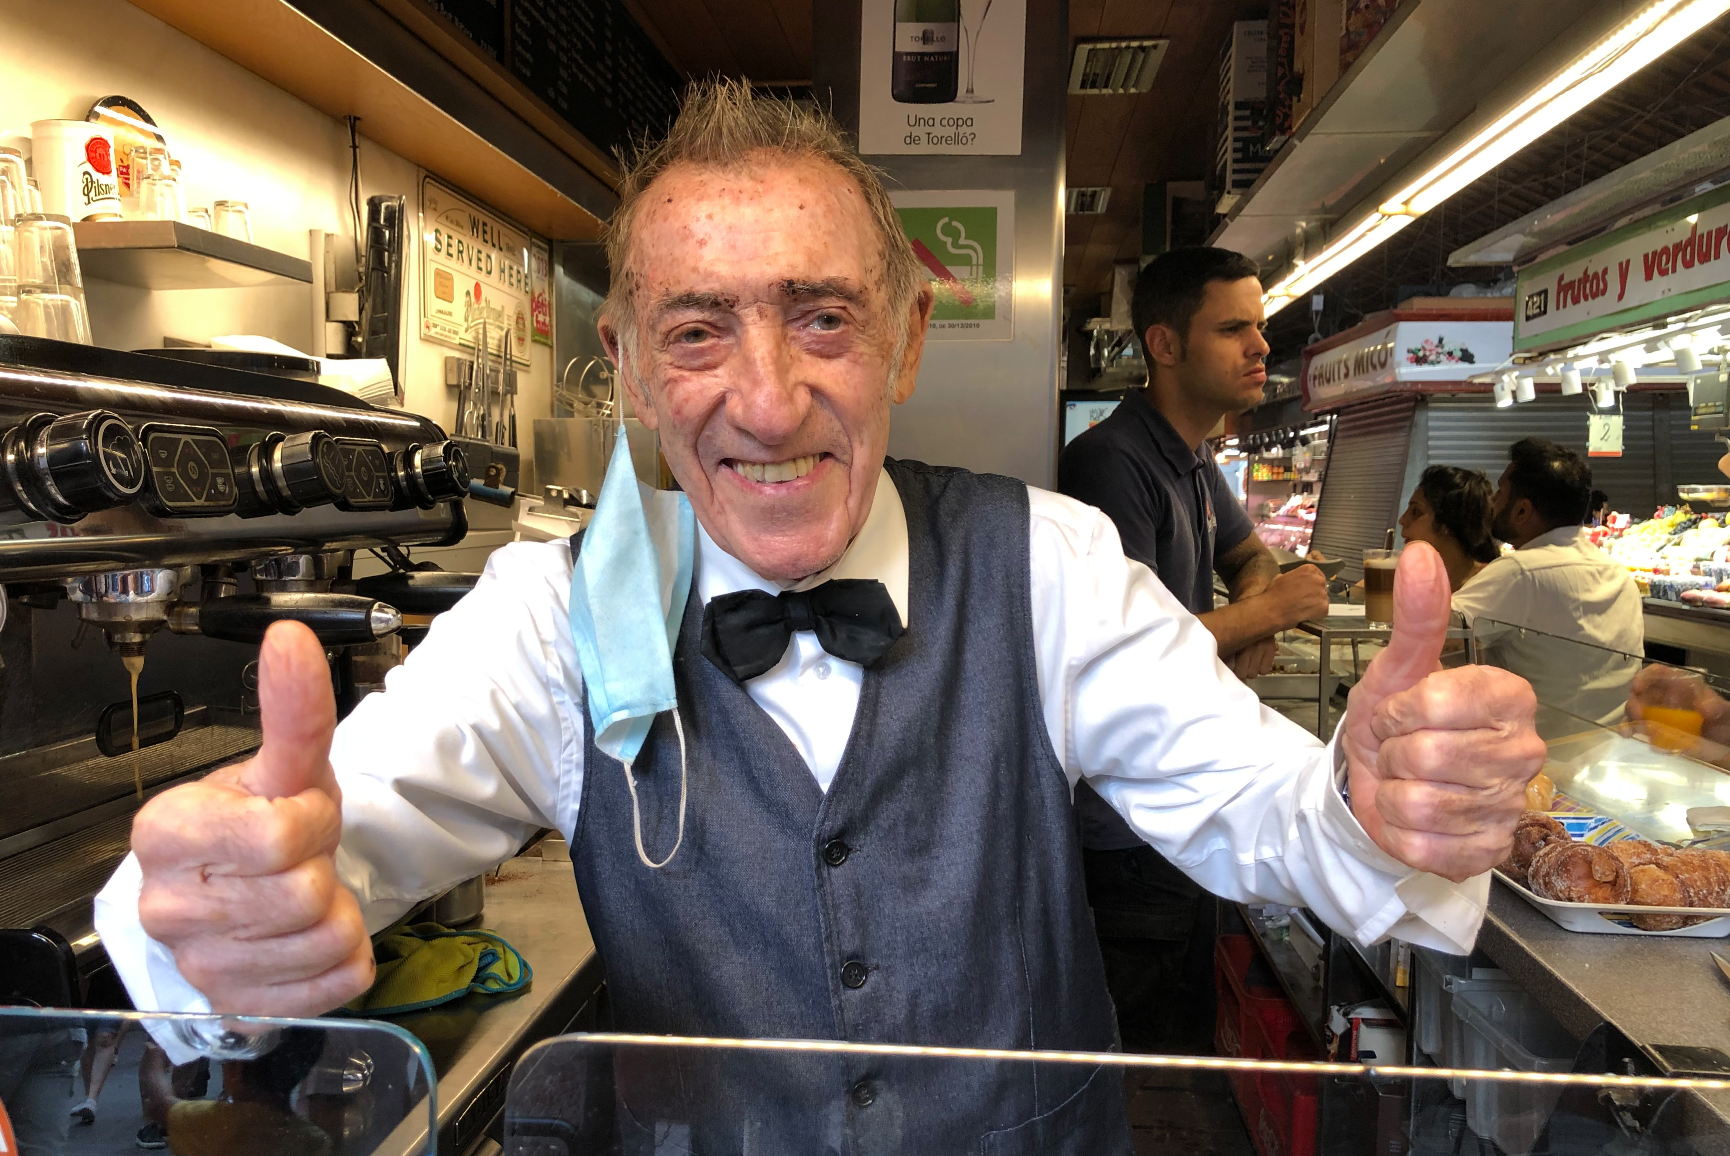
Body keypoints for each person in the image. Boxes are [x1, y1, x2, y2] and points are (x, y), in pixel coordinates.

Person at [94, 82, 1543, 1152]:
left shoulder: (1045, 562)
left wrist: (1377, 805)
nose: (770, 399)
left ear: (906, 335)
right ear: (631, 369)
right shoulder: (564, 608)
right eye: (698, 328)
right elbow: (293, 851)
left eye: (824, 317)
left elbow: (1279, 826)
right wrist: (213, 919)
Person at [1056, 248, 1330, 1053]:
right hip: (1128, 825)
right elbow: (1118, 654)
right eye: (1234, 328)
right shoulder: (1111, 462)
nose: (1261, 348)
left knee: (1186, 1025)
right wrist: (1269, 613)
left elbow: (1251, 556)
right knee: (1142, 1052)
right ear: (1165, 345)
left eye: (1262, 327)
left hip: (1183, 804)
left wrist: (1253, 609)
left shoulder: (1194, 457)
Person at [1453, 438, 1642, 724]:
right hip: (1610, 748)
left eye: (1500, 492)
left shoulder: (1519, 572)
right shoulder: (1619, 574)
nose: (1492, 501)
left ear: (1522, 511)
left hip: (1537, 755)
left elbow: (1434, 633)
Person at [1398, 465, 1501, 593]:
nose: (1402, 520)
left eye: (1416, 512)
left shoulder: (1490, 586)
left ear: (1446, 523)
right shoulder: (1413, 582)